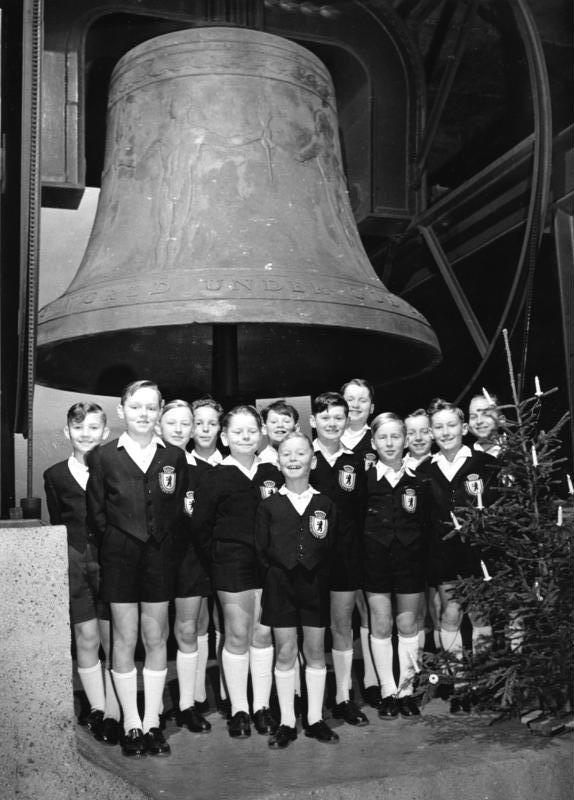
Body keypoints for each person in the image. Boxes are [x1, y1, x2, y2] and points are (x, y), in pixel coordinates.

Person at [86, 379, 189, 756]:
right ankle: (130, 722)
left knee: (156, 637)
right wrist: (120, 543)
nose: (144, 414)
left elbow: (177, 511)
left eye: (151, 407)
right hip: (120, 557)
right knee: (124, 640)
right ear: (121, 411)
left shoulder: (174, 457)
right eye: (136, 407)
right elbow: (96, 515)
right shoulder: (103, 456)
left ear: (159, 412)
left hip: (159, 557)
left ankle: (151, 722)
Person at [192, 405, 283, 739]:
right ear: (225, 436)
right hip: (231, 564)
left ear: (260, 434)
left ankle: (261, 707)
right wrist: (219, 557)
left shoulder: (272, 473)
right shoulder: (215, 476)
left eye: (251, 431)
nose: (246, 437)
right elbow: (200, 527)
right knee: (237, 634)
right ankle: (239, 708)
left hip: (268, 565)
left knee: (262, 634)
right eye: (238, 432)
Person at [43, 402, 122, 744]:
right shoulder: (55, 475)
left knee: (113, 639)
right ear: (67, 432)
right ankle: (98, 708)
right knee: (85, 638)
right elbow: (59, 522)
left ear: (105, 432)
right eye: (79, 428)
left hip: (110, 563)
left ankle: (116, 711)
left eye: (93, 428)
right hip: (74, 562)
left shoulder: (116, 470)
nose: (85, 434)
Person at [256, 432, 339, 747]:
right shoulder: (269, 505)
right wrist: (280, 572)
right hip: (280, 585)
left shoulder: (325, 504)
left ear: (313, 460)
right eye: (286, 454)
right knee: (286, 651)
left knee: (315, 651)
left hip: (314, 585)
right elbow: (261, 550)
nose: (293, 459)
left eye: (300, 454)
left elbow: (330, 546)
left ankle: (316, 719)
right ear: (278, 462)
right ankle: (288, 721)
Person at [416, 398, 498, 711]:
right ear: (431, 431)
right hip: (442, 553)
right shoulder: (425, 470)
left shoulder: (484, 465)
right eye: (439, 427)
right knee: (450, 612)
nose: (446, 431)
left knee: (479, 612)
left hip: (477, 551)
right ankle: (459, 682)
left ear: (463, 428)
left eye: (452, 425)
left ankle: (484, 679)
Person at [364, 413, 430, 719]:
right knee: (380, 625)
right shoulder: (365, 481)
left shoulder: (418, 480)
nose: (389, 443)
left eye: (395, 437)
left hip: (409, 563)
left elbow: (426, 523)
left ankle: (406, 690)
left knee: (407, 625)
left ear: (405, 440)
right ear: (373, 442)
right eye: (383, 438)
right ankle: (388, 690)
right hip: (375, 563)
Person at [310, 392, 369, 726]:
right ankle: (312, 702)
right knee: (314, 631)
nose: (331, 423)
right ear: (313, 421)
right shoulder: (303, 457)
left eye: (338, 418)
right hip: (309, 560)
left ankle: (344, 697)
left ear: (346, 421)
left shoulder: (355, 462)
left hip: (345, 557)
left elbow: (359, 511)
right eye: (325, 417)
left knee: (342, 626)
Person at [159, 399, 212, 734]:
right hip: (152, 560)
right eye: (172, 423)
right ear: (159, 426)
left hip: (190, 559)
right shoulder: (147, 465)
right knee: (155, 634)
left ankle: (188, 704)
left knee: (188, 630)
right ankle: (157, 704)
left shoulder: (204, 471)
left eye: (185, 424)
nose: (179, 430)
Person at [340, 378, 380, 708]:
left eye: (361, 400)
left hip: (370, 535)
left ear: (372, 406)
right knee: (340, 613)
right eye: (349, 399)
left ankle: (372, 679)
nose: (355, 405)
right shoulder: (327, 438)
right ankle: (340, 686)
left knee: (368, 608)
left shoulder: (377, 441)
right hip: (336, 539)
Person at [189, 395, 226, 708]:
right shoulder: (182, 465)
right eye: (198, 423)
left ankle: (228, 692)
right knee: (198, 623)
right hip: (195, 557)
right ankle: (198, 693)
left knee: (226, 622)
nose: (204, 429)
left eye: (211, 423)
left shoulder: (229, 466)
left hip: (226, 556)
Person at [404, 409, 440, 653]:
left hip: (437, 548)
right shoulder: (397, 467)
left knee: (439, 610)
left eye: (424, 431)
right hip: (408, 551)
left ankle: (445, 668)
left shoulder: (442, 465)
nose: (418, 438)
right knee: (413, 614)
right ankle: (417, 674)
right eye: (410, 432)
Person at [258, 400, 300, 466]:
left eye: (286, 421)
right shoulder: (261, 462)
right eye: (274, 422)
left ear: (296, 428)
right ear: (264, 429)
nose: (280, 425)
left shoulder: (305, 458)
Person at [467, 391, 503, 457]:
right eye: (473, 417)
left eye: (486, 414)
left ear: (501, 420)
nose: (479, 421)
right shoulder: (463, 456)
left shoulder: (520, 451)